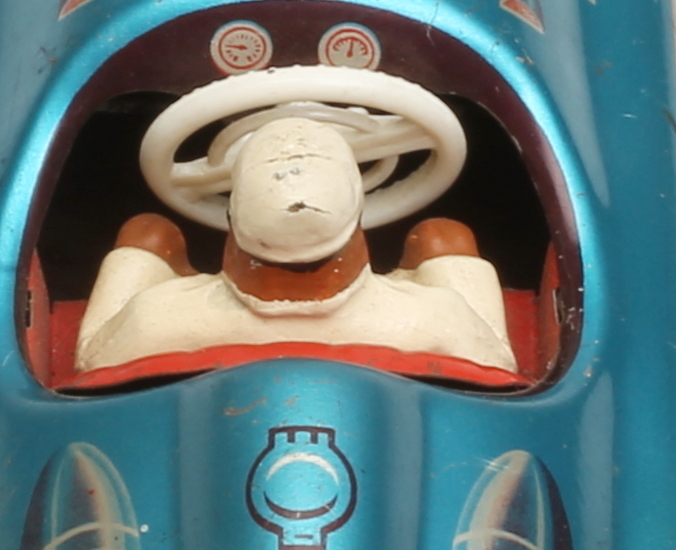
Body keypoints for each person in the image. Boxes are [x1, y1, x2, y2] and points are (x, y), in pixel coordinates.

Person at [73, 114, 514, 373]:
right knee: (443, 236)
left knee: (149, 232)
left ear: (232, 219)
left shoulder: (151, 322)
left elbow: (91, 362)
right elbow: (498, 366)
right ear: (358, 218)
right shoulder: (441, 323)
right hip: (390, 338)